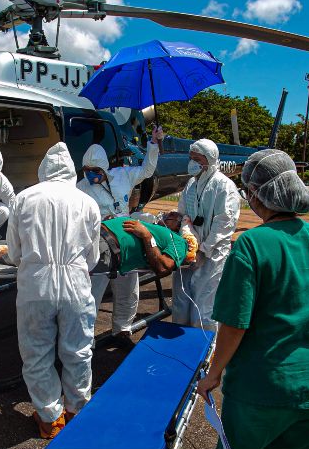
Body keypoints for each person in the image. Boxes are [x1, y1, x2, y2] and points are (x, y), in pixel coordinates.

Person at [196, 149, 309, 449]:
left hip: (263, 389)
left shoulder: (251, 244)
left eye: (249, 191)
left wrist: (213, 374)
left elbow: (235, 324)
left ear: (258, 194)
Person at [6, 142, 101, 440]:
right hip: (76, 282)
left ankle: (49, 419)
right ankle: (76, 410)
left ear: (43, 169)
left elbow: (13, 253)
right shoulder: (87, 202)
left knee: (36, 353)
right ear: (71, 170)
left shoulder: (23, 199)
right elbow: (93, 257)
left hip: (36, 283)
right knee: (78, 351)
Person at [78, 125, 163, 347]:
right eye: (86, 170)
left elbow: (147, 170)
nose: (90, 174)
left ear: (105, 168)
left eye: (94, 170)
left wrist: (153, 144)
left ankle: (122, 330)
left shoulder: (123, 175)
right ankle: (86, 339)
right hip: (100, 244)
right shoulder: (81, 188)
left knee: (128, 288)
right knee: (92, 291)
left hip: (125, 238)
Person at [173, 138, 240, 331]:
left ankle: (206, 355)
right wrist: (188, 238)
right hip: (188, 252)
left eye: (197, 158)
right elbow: (183, 214)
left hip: (213, 257)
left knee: (204, 309)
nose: (192, 162)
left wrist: (203, 250)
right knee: (181, 303)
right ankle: (182, 350)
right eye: (190, 158)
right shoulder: (191, 184)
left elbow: (224, 223)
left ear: (209, 159)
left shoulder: (224, 186)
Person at [92, 213, 195, 280]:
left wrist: (147, 236)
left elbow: (163, 268)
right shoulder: (154, 226)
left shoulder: (179, 242)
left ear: (178, 225)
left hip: (105, 245)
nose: (163, 216)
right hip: (94, 231)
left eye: (169, 217)